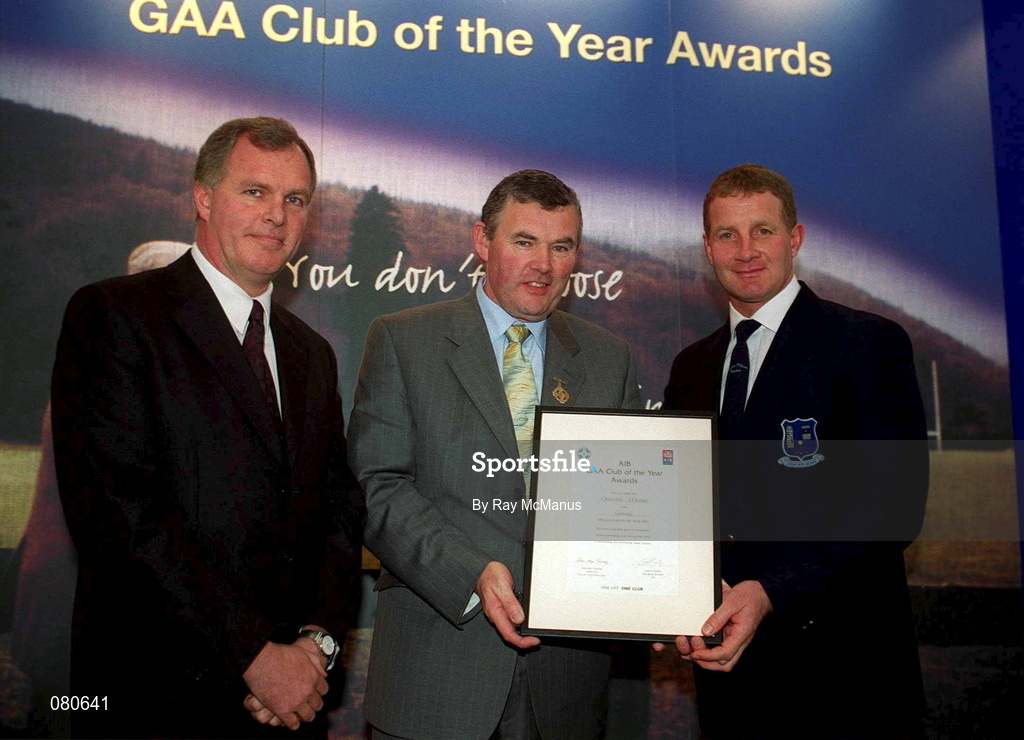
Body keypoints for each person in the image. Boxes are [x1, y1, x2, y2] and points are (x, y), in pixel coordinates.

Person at [51, 118, 364, 739]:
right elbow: (118, 518)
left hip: (289, 706)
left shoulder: (311, 353)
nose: (276, 214)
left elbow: (337, 511)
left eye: (295, 199)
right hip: (152, 701)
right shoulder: (115, 315)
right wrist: (255, 656)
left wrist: (316, 646)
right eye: (254, 192)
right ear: (203, 197)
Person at [348, 169, 642, 739]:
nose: (544, 265)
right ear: (483, 241)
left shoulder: (611, 359)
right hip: (436, 674)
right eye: (524, 242)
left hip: (565, 685)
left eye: (562, 247)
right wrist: (471, 573)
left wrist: (666, 590)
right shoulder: (404, 340)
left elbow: (626, 502)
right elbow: (376, 487)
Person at [661, 165, 928, 739]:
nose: (746, 250)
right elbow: (681, 507)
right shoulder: (691, 368)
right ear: (708, 248)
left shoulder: (866, 344)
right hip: (731, 677)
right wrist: (668, 592)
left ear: (795, 238)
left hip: (844, 680)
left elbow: (893, 510)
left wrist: (770, 590)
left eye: (763, 230)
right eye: (727, 234)